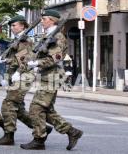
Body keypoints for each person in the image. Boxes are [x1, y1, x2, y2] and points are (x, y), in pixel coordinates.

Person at [20, 10, 83, 151]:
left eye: (44, 19)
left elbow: (55, 58)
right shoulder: (48, 36)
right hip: (46, 77)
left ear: (52, 20)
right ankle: (72, 132)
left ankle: (39, 140)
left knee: (35, 108)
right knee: (46, 111)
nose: (42, 21)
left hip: (52, 78)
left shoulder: (58, 37)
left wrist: (37, 64)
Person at [0, 15, 52, 146]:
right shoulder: (16, 39)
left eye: (14, 25)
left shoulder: (25, 41)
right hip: (15, 74)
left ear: (22, 26)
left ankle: (9, 136)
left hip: (23, 75)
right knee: (18, 110)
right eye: (11, 26)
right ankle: (42, 128)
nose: (12, 27)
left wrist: (8, 62)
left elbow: (23, 60)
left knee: (8, 104)